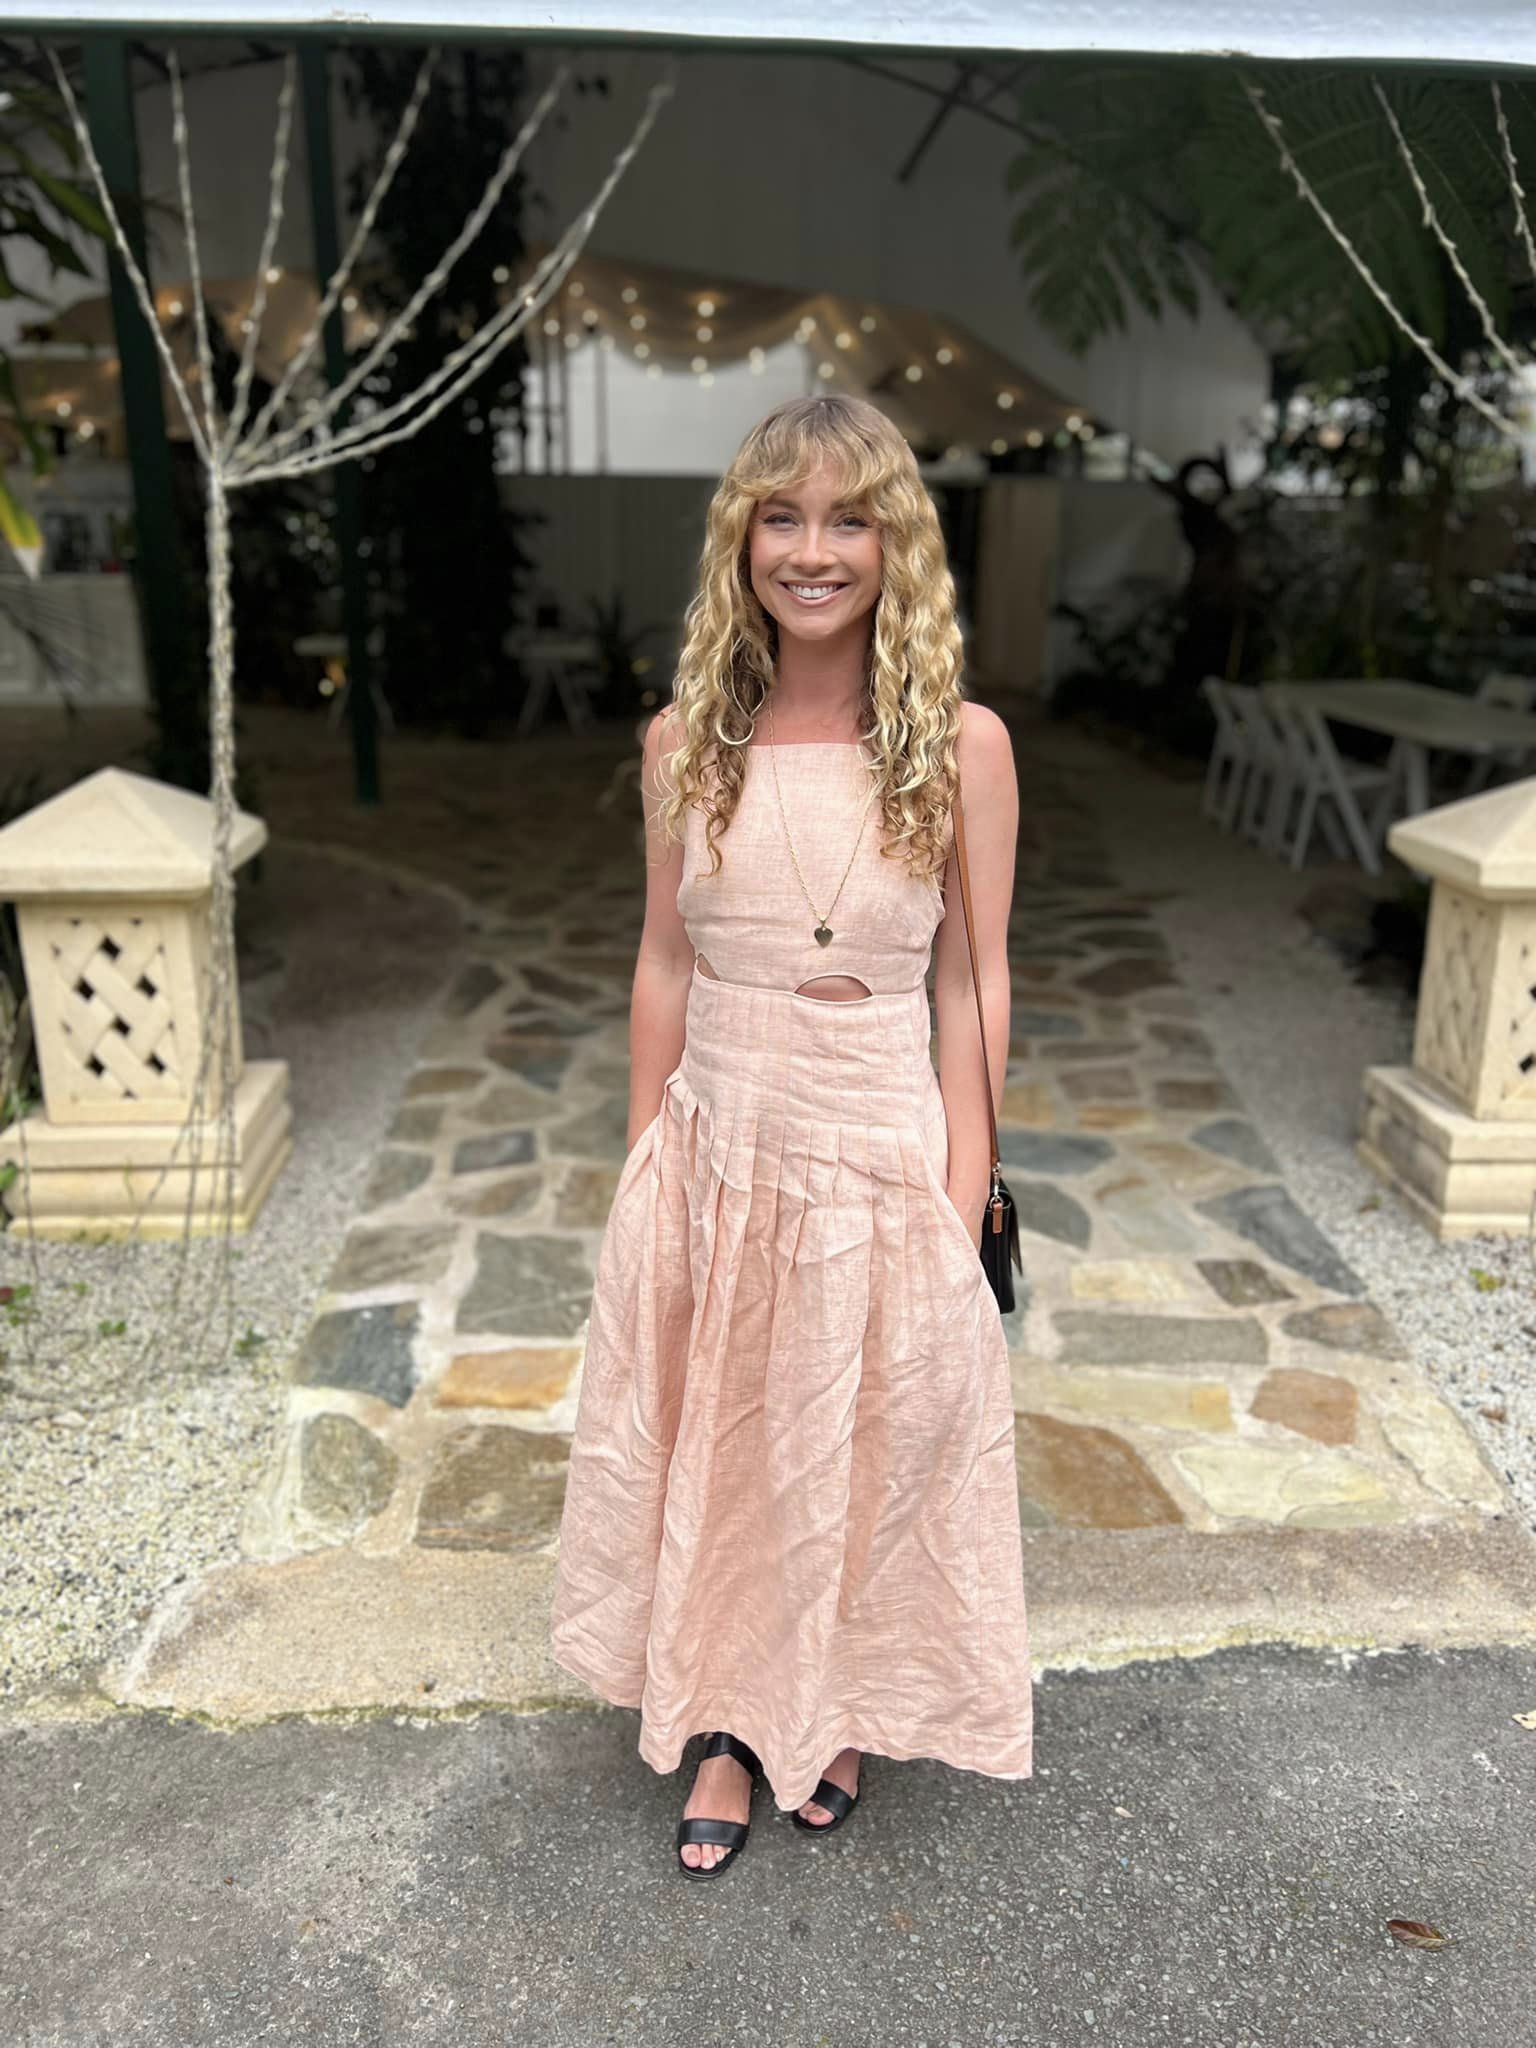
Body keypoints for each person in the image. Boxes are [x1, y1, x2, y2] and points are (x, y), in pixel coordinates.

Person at [549, 393, 1032, 1879]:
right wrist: (644, 1161)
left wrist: (958, 1199)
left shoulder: (959, 747)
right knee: (724, 1444)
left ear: (896, 546)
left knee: (857, 1448)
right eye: (781, 516)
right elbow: (663, 963)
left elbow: (974, 982)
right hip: (717, 1144)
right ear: (740, 539)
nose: (812, 551)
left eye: (848, 519)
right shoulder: (684, 742)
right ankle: (720, 1721)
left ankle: (833, 1705)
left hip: (874, 1148)